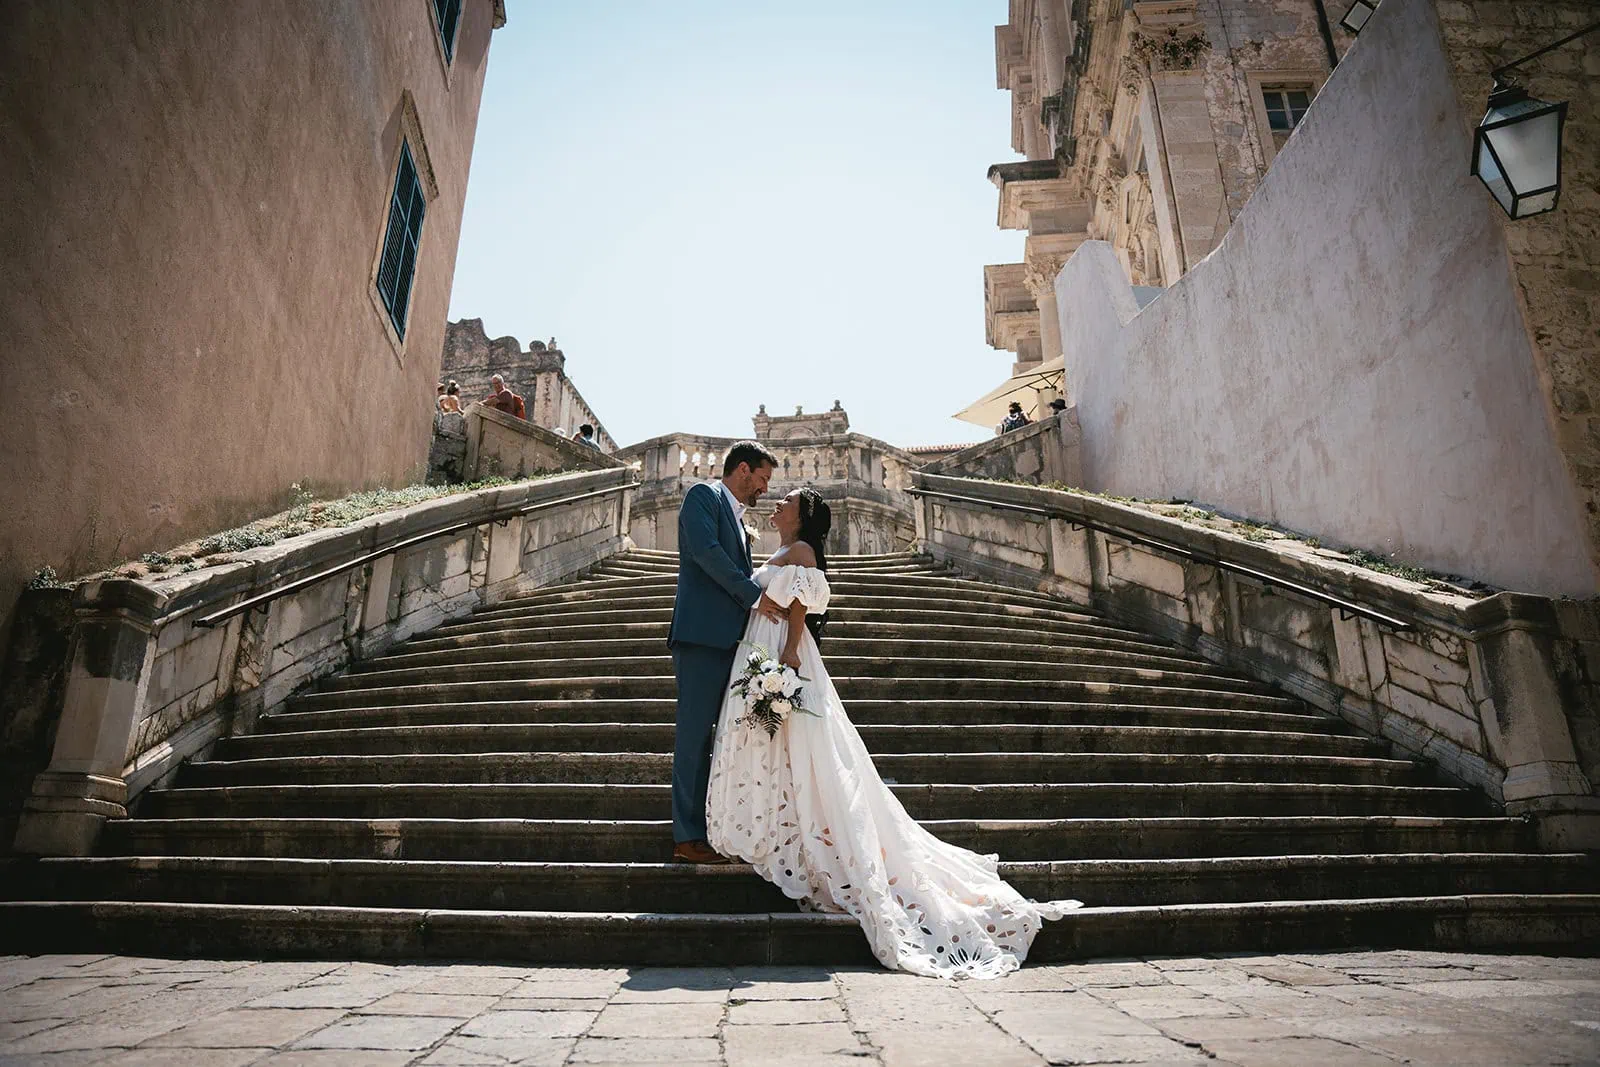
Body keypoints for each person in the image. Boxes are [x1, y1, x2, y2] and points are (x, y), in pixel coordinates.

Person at [704, 486, 1081, 978]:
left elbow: (798, 603)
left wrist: (790, 657)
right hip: (759, 648)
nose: (777, 503)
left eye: (788, 500)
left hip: (780, 654)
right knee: (776, 744)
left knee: (803, 747)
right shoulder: (781, 548)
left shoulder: (801, 550)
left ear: (805, 514)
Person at [668, 442, 786, 865]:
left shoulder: (739, 517)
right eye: (762, 478)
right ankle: (686, 835)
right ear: (741, 469)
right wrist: (754, 596)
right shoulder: (704, 496)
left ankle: (709, 824)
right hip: (702, 638)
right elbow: (705, 553)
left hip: (729, 642)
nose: (765, 488)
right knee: (694, 735)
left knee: (717, 737)